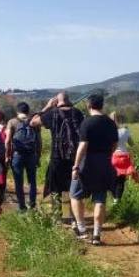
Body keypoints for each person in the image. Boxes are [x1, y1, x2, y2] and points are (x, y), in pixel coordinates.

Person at [70, 94, 119, 246]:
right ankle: (97, 233)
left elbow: (83, 146)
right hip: (105, 162)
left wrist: (76, 166)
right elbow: (115, 144)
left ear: (88, 105)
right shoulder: (111, 123)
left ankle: (82, 229)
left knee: (75, 194)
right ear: (102, 105)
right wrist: (108, 156)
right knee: (100, 198)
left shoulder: (87, 123)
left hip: (87, 163)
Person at [30, 91, 84, 221]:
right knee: (67, 187)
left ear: (56, 101)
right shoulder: (77, 113)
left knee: (52, 186)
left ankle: (53, 215)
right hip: (73, 157)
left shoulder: (52, 113)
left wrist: (47, 107)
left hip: (57, 156)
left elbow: (32, 122)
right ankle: (66, 215)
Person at [7, 102, 41, 212]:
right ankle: (32, 205)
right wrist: (38, 156)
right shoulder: (34, 122)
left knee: (18, 182)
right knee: (32, 182)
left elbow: (8, 141)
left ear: (17, 111)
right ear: (28, 111)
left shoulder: (12, 122)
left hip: (17, 156)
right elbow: (39, 141)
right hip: (31, 155)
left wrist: (8, 155)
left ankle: (22, 207)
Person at [109, 112, 139, 203]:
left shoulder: (108, 131)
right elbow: (131, 144)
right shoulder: (125, 131)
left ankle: (114, 198)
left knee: (111, 179)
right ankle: (117, 200)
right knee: (121, 181)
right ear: (120, 119)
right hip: (124, 157)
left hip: (113, 157)